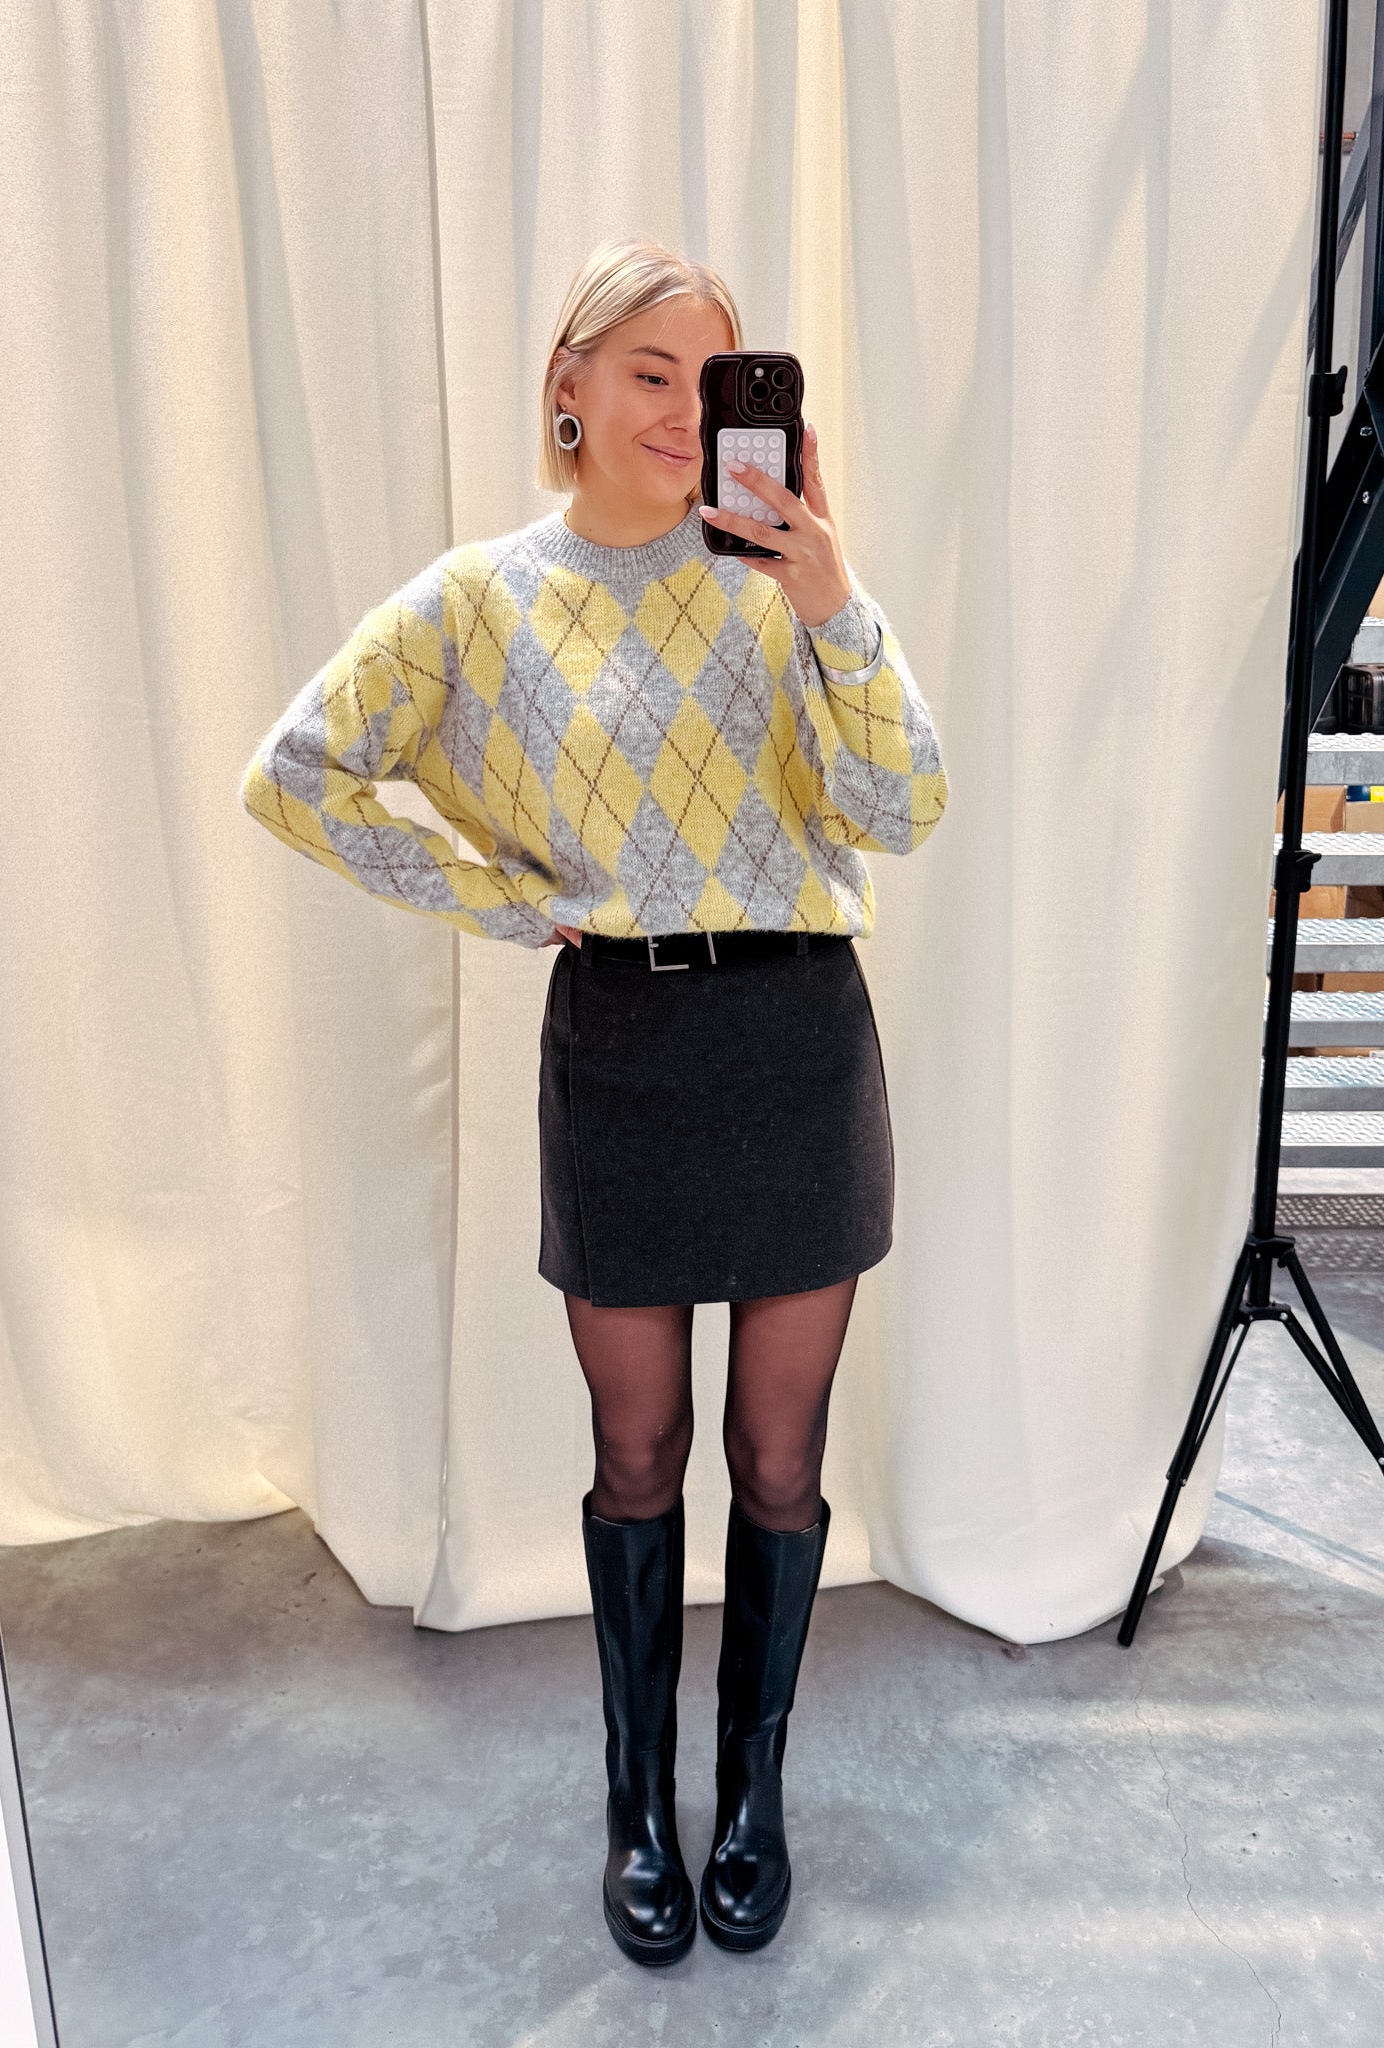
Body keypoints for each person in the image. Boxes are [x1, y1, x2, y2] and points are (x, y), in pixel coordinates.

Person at [240, 237, 949, 1967]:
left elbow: (904, 808)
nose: (683, 413)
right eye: (648, 373)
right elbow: (298, 774)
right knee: (634, 1453)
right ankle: (638, 1803)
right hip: (621, 1050)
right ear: (566, 385)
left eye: (714, 381)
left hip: (796, 1043)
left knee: (777, 1458)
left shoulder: (783, 585)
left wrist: (830, 598)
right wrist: (497, 899)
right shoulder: (479, 599)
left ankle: (750, 1796)